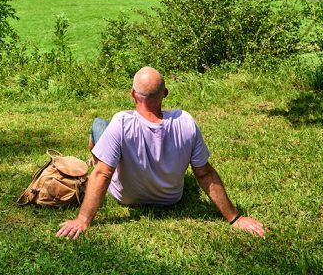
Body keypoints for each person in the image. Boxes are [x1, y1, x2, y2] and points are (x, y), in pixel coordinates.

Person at [56, 66, 265, 239]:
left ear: (132, 95)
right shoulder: (186, 122)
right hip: (171, 198)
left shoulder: (121, 122)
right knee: (108, 133)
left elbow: (102, 174)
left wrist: (82, 220)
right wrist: (235, 218)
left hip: (127, 198)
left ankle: (97, 158)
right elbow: (205, 173)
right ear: (165, 94)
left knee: (99, 125)